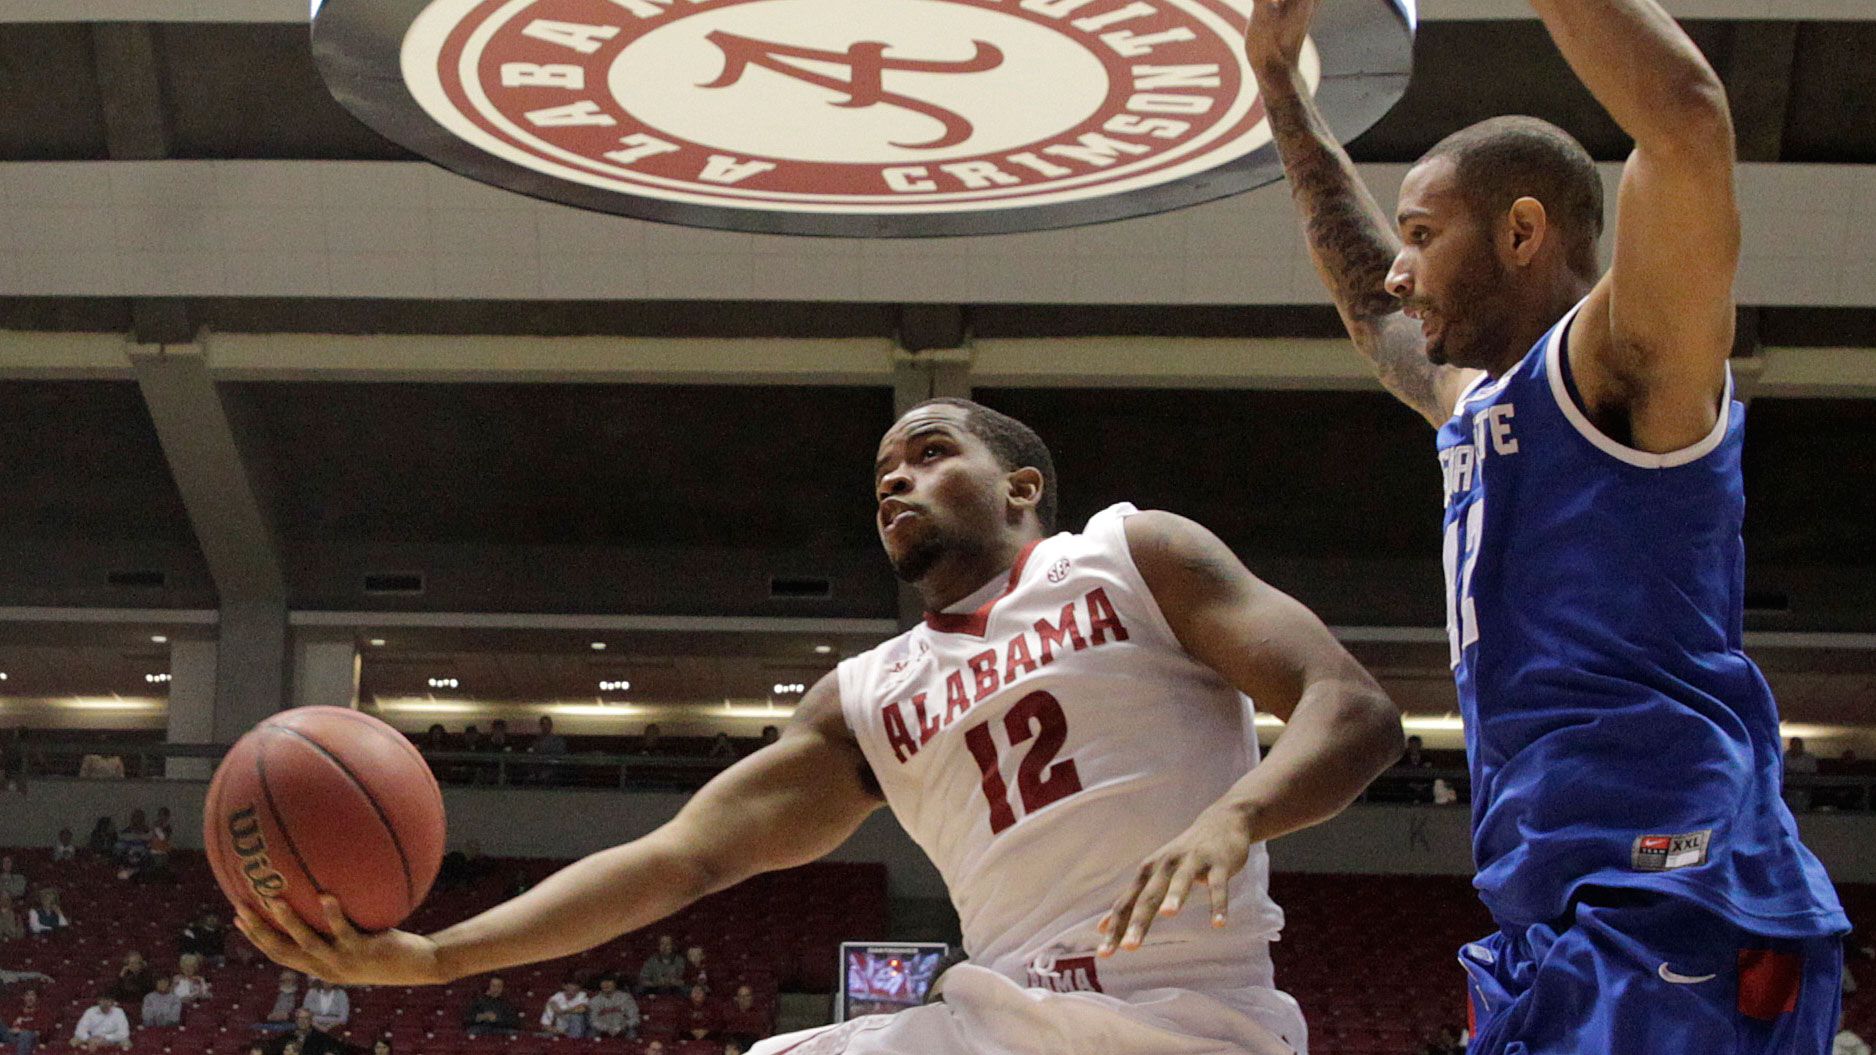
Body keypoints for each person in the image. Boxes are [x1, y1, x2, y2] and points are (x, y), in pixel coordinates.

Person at [232, 398, 1404, 1055]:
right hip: (1000, 1019)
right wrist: (435, 957)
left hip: (1186, 1022)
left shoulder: (1131, 554)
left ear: (1023, 485)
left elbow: (1352, 709)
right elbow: (679, 857)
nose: (894, 481)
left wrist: (1236, 814)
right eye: (881, 473)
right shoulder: (867, 695)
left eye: (931, 453)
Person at [1247, 0, 1850, 1048]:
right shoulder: (1473, 404)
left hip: (1674, 879)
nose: (1400, 265)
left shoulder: (1626, 360)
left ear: (1523, 231)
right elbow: (1368, 300)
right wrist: (1276, 86)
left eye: (1425, 235)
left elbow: (1687, 118)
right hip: (1554, 898)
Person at [1787, 737, 1821, 812]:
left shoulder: (1809, 758)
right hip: (1789, 790)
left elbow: (1813, 772)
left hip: (1804, 790)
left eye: (1797, 745)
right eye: (1794, 745)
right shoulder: (1785, 757)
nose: (1795, 747)